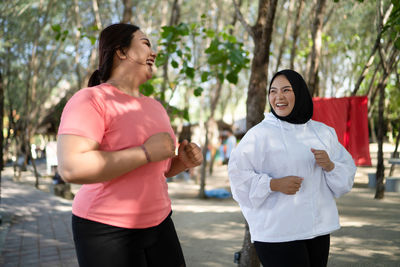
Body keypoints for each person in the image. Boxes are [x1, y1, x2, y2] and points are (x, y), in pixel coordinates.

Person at [57, 23, 203, 267]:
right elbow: (71, 167)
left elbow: (161, 170)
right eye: (145, 43)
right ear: (121, 52)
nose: (153, 52)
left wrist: (183, 162)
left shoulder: (156, 107)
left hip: (160, 224)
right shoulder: (91, 99)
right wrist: (145, 152)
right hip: (105, 229)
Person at [228, 69, 356, 267]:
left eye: (286, 90)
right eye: (273, 91)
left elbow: (345, 179)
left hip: (318, 229)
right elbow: (237, 176)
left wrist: (331, 166)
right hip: (277, 233)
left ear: (300, 93)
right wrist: (273, 184)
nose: (278, 96)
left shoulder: (323, 132)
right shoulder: (259, 135)